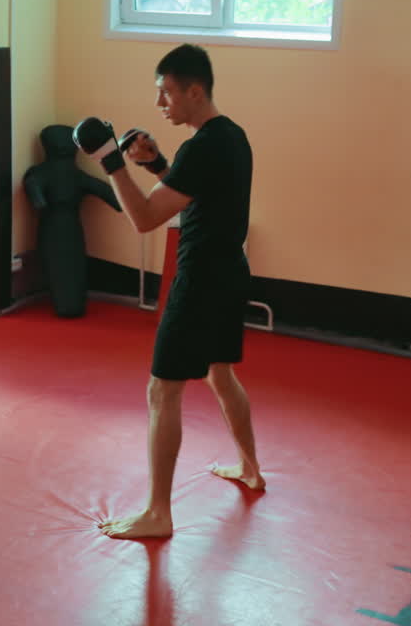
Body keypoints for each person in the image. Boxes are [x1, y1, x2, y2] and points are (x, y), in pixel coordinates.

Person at [74, 44, 265, 540]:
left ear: (194, 90)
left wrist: (110, 161)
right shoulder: (230, 136)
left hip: (200, 279)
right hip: (230, 271)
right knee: (221, 374)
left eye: (166, 93)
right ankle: (250, 468)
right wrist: (157, 163)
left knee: (163, 390)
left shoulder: (203, 146)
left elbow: (144, 219)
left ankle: (158, 513)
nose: (161, 105)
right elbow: (199, 194)